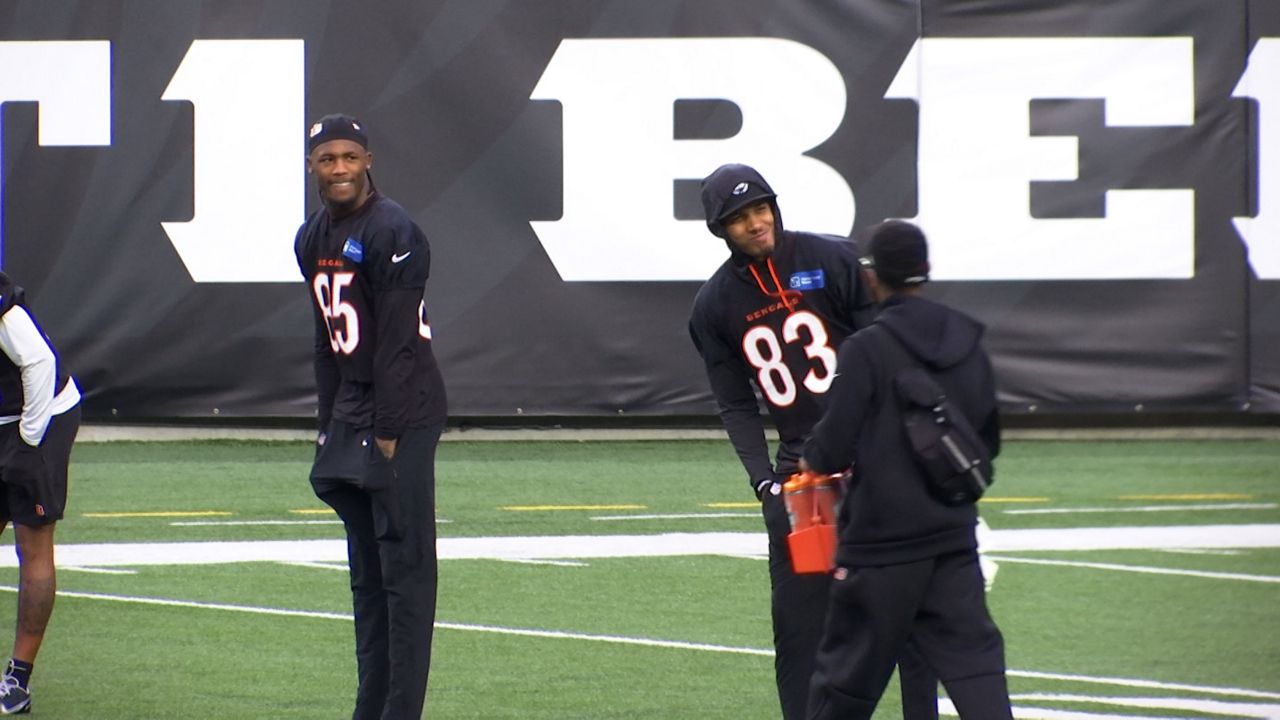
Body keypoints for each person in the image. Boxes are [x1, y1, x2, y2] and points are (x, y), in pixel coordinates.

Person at [687, 164, 938, 720]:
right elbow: (735, 402)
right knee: (802, 626)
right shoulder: (713, 305)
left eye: (761, 209)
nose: (756, 224)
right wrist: (762, 481)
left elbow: (887, 347)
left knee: (907, 614)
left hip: (876, 462)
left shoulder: (831, 260)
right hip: (804, 476)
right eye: (739, 218)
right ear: (719, 229)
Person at [800, 220, 1012, 720]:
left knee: (844, 684)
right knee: (976, 669)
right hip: (951, 539)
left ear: (873, 275)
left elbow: (830, 449)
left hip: (881, 547)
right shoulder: (968, 340)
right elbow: (988, 441)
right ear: (926, 271)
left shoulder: (866, 348)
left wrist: (810, 455)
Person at [295, 114, 448, 720]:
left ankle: (400, 710)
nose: (339, 168)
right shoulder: (311, 237)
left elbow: (397, 346)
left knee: (405, 574)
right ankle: (371, 706)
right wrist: (328, 418)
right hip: (354, 405)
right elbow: (323, 340)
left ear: (368, 161)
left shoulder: (393, 229)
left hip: (403, 410)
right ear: (312, 165)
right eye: (327, 158)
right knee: (366, 575)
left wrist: (386, 430)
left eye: (349, 157)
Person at [0, 272, 81, 715]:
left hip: (40, 417)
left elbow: (39, 362)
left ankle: (18, 678)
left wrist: (28, 443)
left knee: (33, 542)